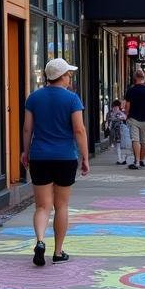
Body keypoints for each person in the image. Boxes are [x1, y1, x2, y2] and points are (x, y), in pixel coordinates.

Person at [21, 57, 90, 265]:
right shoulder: (72, 99)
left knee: (42, 206)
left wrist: (26, 152)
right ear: (61, 77)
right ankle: (58, 252)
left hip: (40, 156)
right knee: (61, 205)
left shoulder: (33, 98)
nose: (70, 77)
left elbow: (27, 128)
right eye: (69, 74)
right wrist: (85, 157)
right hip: (65, 157)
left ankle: (40, 241)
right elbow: (79, 129)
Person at [122, 69, 145, 170]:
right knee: (144, 142)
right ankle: (141, 160)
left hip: (134, 118)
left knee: (135, 140)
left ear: (135, 78)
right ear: (143, 78)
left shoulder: (131, 90)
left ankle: (136, 161)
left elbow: (127, 107)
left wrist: (126, 114)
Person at [105, 99, 128, 165]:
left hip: (113, 131)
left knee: (118, 145)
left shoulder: (110, 113)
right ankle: (121, 159)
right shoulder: (119, 112)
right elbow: (124, 117)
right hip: (119, 131)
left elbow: (107, 120)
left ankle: (120, 158)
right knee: (120, 145)